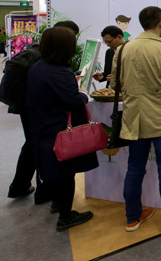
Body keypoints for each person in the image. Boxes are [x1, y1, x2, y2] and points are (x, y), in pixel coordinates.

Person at [111, 6, 161, 237]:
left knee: (134, 169)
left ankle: (132, 218)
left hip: (134, 118)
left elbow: (114, 85)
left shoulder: (123, 49)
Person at [27, 27, 98, 231]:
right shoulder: (59, 72)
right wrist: (83, 94)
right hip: (59, 130)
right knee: (66, 173)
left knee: (54, 170)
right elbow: (73, 101)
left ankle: (58, 204)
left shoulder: (38, 67)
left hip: (43, 126)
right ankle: (66, 216)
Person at [4, 21, 80, 208]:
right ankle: (48, 196)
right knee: (44, 150)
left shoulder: (39, 61)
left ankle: (29, 188)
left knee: (34, 146)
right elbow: (72, 101)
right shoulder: (52, 67)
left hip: (31, 108)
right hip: (43, 114)